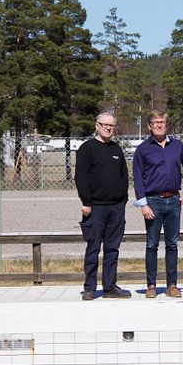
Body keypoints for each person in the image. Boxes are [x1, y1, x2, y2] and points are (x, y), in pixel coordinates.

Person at [132, 109, 183, 299]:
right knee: (152, 244)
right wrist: (143, 205)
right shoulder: (143, 149)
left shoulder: (177, 146)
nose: (159, 125)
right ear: (149, 126)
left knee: (172, 245)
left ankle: (172, 285)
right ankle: (151, 285)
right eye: (156, 122)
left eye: (162, 122)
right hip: (153, 202)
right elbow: (137, 179)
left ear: (166, 124)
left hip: (174, 201)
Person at [74, 112, 131, 300]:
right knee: (93, 248)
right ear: (96, 125)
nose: (108, 128)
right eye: (104, 124)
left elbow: (124, 176)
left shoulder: (116, 149)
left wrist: (123, 199)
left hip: (116, 207)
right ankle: (90, 287)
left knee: (112, 249)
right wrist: (86, 202)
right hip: (95, 208)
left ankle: (109, 286)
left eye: (111, 125)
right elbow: (81, 177)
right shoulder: (86, 149)